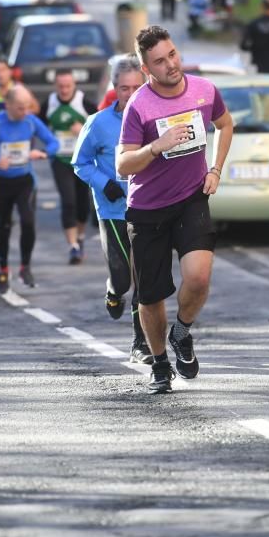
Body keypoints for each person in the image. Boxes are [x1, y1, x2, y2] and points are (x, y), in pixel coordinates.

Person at [115, 25, 234, 394]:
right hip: (148, 208)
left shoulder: (203, 90)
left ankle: (181, 332)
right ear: (147, 69)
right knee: (150, 296)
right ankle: (160, 363)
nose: (170, 65)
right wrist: (156, 147)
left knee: (198, 277)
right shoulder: (139, 105)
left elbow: (225, 124)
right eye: (160, 61)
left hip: (191, 197)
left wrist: (215, 169)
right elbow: (123, 165)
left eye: (172, 55)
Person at [72, 55, 153, 364]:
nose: (130, 95)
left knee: (143, 277)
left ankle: (140, 343)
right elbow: (80, 164)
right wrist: (104, 182)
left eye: (136, 87)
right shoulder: (98, 123)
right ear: (113, 88)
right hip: (113, 209)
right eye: (123, 88)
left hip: (147, 208)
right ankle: (113, 290)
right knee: (123, 279)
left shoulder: (153, 121)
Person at [0, 83, 57, 293]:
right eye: (20, 107)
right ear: (8, 105)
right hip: (1, 183)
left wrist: (43, 153)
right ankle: (3, 268)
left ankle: (25, 266)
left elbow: (53, 142)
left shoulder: (30, 121)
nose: (25, 111)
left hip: (24, 180)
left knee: (28, 221)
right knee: (3, 227)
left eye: (27, 106)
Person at [41, 69, 96, 264]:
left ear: (74, 85)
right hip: (60, 160)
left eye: (68, 86)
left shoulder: (84, 103)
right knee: (68, 201)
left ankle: (80, 238)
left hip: (82, 161)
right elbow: (38, 126)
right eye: (61, 86)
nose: (64, 90)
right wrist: (48, 144)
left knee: (82, 204)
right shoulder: (49, 103)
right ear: (56, 86)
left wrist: (81, 130)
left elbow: (99, 128)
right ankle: (72, 246)